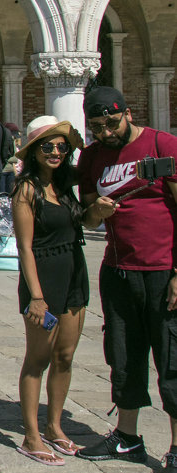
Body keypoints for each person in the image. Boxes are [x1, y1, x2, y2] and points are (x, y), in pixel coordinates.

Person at [75, 86, 177, 468]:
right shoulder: (92, 157)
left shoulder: (162, 144)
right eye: (97, 126)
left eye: (111, 122)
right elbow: (86, 216)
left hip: (163, 269)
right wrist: (96, 212)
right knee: (123, 355)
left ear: (127, 113)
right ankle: (127, 436)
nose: (106, 132)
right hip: (118, 269)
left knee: (171, 357)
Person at [11, 115, 88, 466]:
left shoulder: (66, 185)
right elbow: (24, 247)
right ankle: (31, 435)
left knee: (66, 356)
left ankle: (55, 427)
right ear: (34, 151)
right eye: (48, 146)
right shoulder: (26, 189)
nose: (56, 152)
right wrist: (36, 297)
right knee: (38, 360)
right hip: (42, 276)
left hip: (74, 272)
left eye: (61, 146)